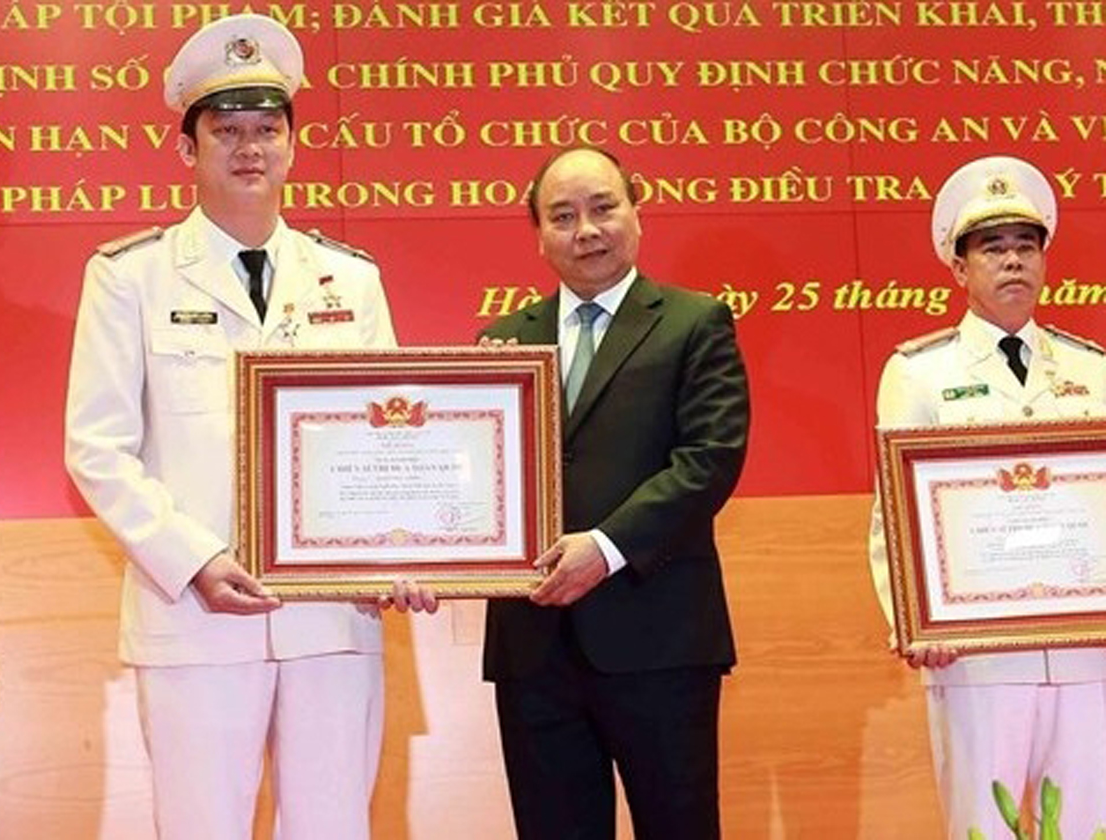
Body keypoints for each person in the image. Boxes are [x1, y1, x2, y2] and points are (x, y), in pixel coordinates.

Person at [64, 13, 433, 840]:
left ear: (293, 143)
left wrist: (405, 547)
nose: (249, 148)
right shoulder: (130, 277)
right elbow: (97, 446)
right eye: (226, 130)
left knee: (335, 828)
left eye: (267, 128)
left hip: (333, 616)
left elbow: (392, 445)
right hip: (195, 616)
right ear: (187, 150)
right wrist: (193, 560)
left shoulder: (350, 278)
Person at [478, 146, 750, 839]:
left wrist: (605, 548)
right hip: (533, 647)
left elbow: (708, 461)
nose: (587, 230)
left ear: (637, 210)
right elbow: (482, 481)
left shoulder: (696, 324)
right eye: (562, 216)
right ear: (537, 235)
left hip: (657, 636)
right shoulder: (501, 341)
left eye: (604, 208)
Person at [869, 155, 1106, 838]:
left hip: (1087, 648)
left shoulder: (1090, 368)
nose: (1012, 263)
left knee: (1088, 824)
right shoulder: (920, 371)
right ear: (959, 267)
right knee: (985, 826)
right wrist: (914, 620)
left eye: (1026, 247)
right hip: (976, 653)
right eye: (993, 248)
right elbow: (894, 513)